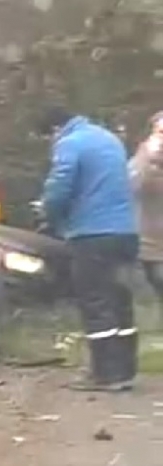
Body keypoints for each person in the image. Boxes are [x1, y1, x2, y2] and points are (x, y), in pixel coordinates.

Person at [39, 107, 139, 392]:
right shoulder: (108, 138)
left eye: (48, 137)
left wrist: (49, 214)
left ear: (56, 129)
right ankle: (126, 370)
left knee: (95, 301)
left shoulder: (70, 144)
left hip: (92, 233)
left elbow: (60, 187)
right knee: (120, 299)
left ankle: (105, 374)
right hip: (125, 231)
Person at [128, 112, 163, 323]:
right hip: (152, 244)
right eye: (160, 132)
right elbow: (133, 185)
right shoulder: (142, 162)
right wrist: (147, 156)